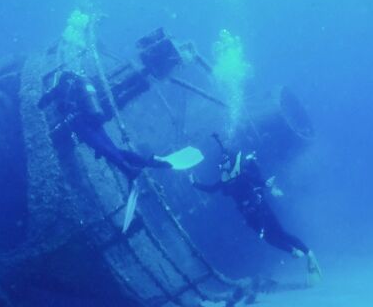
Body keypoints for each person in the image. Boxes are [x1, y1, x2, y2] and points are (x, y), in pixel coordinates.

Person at [190, 142, 321, 285]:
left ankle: (308, 253)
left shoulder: (242, 175)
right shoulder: (225, 180)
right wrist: (194, 184)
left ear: (231, 160)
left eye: (225, 160)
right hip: (249, 216)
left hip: (261, 209)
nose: (222, 164)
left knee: (280, 234)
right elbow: (211, 189)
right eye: (221, 161)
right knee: (269, 239)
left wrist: (267, 184)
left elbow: (258, 181)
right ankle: (293, 251)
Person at [38, 69, 171, 183]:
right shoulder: (82, 82)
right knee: (111, 148)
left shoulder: (60, 87)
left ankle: (129, 170)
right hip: (94, 117)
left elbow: (42, 103)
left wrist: (46, 101)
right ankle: (149, 162)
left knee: (105, 148)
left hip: (79, 122)